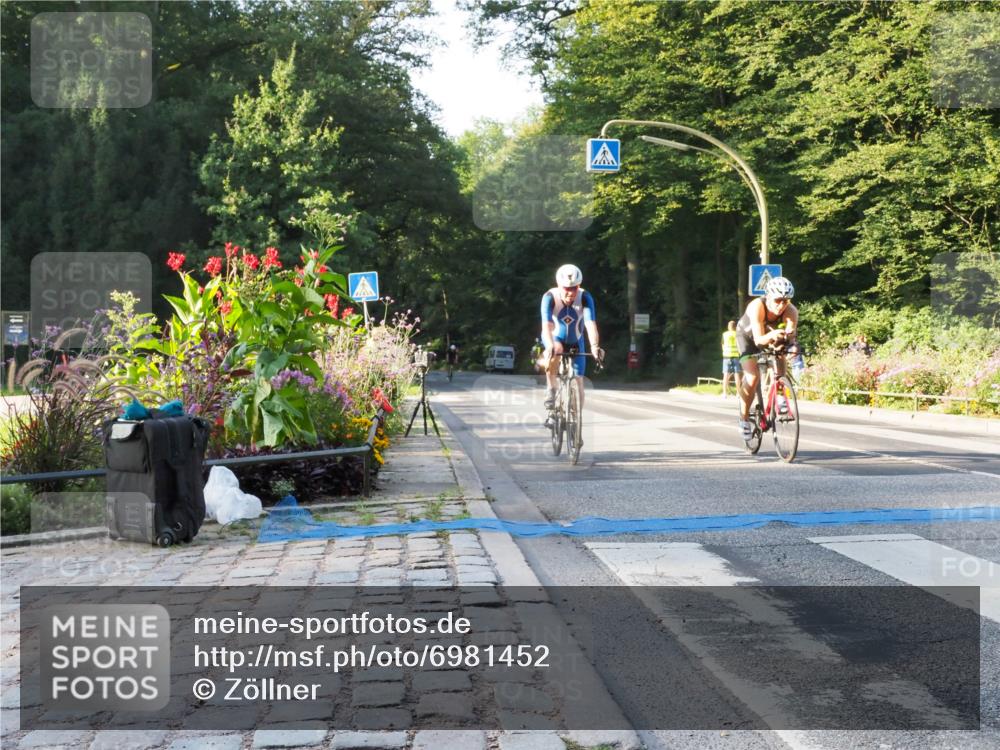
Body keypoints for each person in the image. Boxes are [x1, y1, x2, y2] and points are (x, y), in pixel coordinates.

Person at [736, 276, 800, 440]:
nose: (781, 305)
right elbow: (758, 340)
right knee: (752, 377)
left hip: (770, 337)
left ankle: (780, 392)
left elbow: (791, 336)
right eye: (778, 300)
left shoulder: (791, 311)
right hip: (748, 338)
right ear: (769, 297)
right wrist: (773, 334)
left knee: (780, 351)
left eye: (785, 301)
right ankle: (743, 418)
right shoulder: (757, 306)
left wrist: (791, 343)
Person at [540, 264, 604, 412]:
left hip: (576, 340)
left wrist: (595, 347)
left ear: (579, 286)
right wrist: (549, 346)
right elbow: (547, 326)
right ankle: (551, 388)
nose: (570, 292)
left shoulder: (585, 297)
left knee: (579, 380)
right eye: (566, 288)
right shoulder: (549, 297)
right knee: (556, 349)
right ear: (558, 285)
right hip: (554, 337)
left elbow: (590, 324)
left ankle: (575, 420)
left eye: (574, 288)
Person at [721, 320, 742, 398]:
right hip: (736, 356)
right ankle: (738, 393)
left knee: (726, 375)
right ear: (735, 327)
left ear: (728, 327)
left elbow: (722, 345)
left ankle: (724, 393)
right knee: (737, 375)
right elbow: (740, 345)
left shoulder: (724, 334)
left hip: (727, 356)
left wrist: (725, 351)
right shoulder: (738, 334)